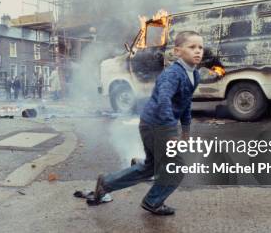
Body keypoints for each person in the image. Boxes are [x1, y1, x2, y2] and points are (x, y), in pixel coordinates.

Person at [93, 31, 225, 216]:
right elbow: (164, 101)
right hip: (156, 125)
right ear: (178, 52)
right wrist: (171, 132)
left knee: (150, 167)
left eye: (200, 47)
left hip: (155, 124)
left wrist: (186, 130)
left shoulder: (194, 75)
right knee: (176, 167)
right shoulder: (173, 74)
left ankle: (106, 183)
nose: (198, 51)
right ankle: (152, 201)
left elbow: (185, 104)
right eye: (192, 47)